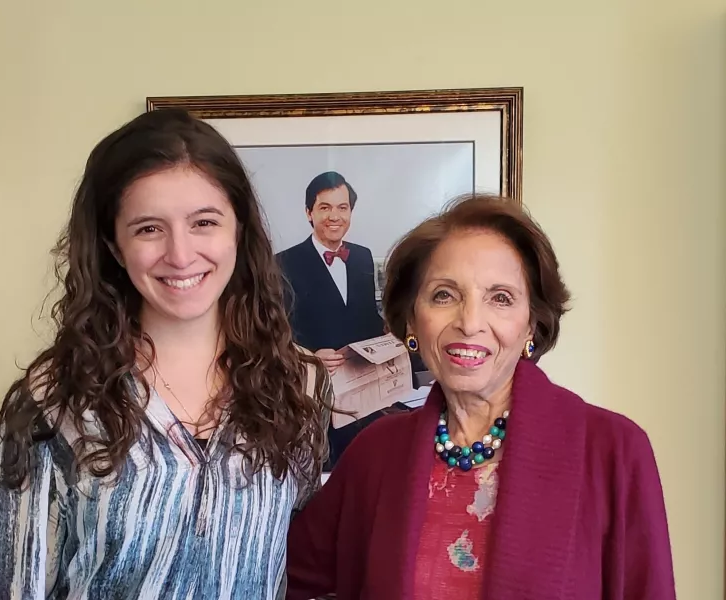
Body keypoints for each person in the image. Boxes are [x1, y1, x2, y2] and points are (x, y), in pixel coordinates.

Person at [0, 108, 331, 599]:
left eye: (204, 222)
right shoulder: (52, 401)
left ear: (239, 230)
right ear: (114, 246)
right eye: (149, 228)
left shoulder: (300, 382)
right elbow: (13, 589)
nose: (181, 254)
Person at [285, 194, 676, 599]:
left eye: (500, 298)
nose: (470, 323)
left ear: (531, 325)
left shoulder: (613, 450)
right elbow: (274, 574)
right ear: (411, 319)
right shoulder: (376, 455)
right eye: (444, 295)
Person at [275, 171, 385, 373]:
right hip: (312, 381)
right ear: (309, 212)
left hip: (363, 376)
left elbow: (368, 318)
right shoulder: (282, 263)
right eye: (325, 207)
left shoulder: (362, 256)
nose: (334, 216)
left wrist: (393, 334)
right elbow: (275, 331)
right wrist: (307, 357)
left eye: (342, 208)